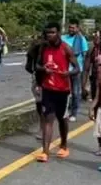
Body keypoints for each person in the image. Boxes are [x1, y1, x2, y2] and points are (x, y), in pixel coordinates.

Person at [34, 22, 80, 163]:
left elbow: (77, 68)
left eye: (53, 32)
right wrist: (43, 70)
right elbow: (36, 65)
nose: (50, 35)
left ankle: (64, 145)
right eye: (48, 33)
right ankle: (45, 151)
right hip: (48, 89)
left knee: (62, 119)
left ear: (59, 33)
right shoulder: (44, 48)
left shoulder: (66, 48)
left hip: (63, 90)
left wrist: (68, 73)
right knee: (48, 119)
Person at [62, 20, 90, 122]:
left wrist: (85, 72)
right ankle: (64, 111)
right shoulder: (63, 38)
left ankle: (74, 113)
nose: (71, 29)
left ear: (77, 28)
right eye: (70, 27)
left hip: (76, 70)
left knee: (75, 92)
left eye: (73, 27)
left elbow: (85, 55)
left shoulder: (81, 39)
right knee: (64, 92)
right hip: (64, 69)